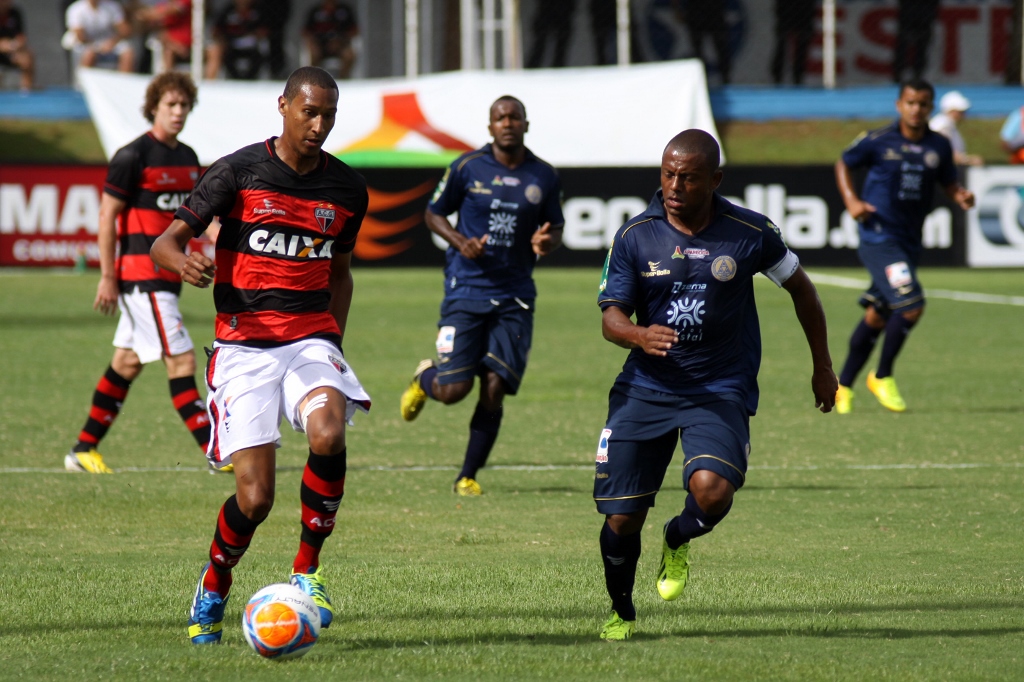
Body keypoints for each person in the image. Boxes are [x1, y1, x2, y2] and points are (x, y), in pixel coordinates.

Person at [150, 66, 370, 644]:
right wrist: (184, 262)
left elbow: (342, 276)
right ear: (283, 106)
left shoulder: (347, 190)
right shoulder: (238, 171)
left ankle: (307, 571)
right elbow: (164, 243)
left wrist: (333, 345)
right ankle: (215, 581)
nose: (319, 125)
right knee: (256, 498)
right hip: (244, 345)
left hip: (310, 339)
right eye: (309, 112)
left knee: (328, 431)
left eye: (329, 115)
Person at [593, 129, 837, 641]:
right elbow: (611, 318)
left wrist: (822, 366)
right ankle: (620, 611)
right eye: (667, 174)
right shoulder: (635, 234)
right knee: (621, 521)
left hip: (718, 387)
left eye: (688, 176)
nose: (675, 185)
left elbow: (802, 291)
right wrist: (639, 334)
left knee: (712, 493)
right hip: (646, 387)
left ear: (715, 179)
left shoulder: (749, 231)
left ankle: (677, 538)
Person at [399, 96, 564, 497]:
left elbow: (554, 227)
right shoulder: (466, 168)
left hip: (515, 295)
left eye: (514, 117)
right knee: (455, 391)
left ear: (526, 124)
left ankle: (467, 475)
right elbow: (433, 213)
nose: (507, 123)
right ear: (489, 127)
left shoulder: (544, 176)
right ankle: (426, 377)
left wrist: (548, 240)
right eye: (499, 118)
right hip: (467, 289)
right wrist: (460, 241)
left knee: (495, 386)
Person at [65, 72, 205, 474]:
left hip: (167, 279)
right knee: (181, 361)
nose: (178, 113)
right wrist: (108, 276)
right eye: (170, 105)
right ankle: (217, 451)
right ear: (154, 108)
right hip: (141, 277)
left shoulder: (188, 157)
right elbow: (107, 217)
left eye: (184, 105)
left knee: (126, 362)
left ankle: (82, 450)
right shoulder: (132, 156)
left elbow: (195, 216)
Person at [834, 80, 975, 414]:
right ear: (899, 104)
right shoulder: (878, 141)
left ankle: (842, 386)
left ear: (931, 107)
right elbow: (844, 163)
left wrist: (960, 196)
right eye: (911, 102)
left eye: (923, 104)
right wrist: (852, 201)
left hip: (910, 240)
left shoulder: (939, 145)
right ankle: (882, 376)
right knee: (911, 305)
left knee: (878, 314)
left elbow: (948, 181)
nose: (916, 109)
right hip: (879, 238)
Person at [64, 0, 135, 73]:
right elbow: (80, 36)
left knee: (128, 54)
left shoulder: (111, 6)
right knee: (89, 54)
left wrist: (112, 42)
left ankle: (123, 81)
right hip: (87, 43)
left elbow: (124, 30)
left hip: (110, 42)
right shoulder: (75, 9)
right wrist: (99, 46)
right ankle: (83, 81)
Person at [674, 0, 732, 84]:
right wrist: (676, 9)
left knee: (721, 47)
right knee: (697, 52)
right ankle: (700, 81)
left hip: (715, 11)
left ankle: (726, 80)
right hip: (696, 12)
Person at [206, 0, 266, 80]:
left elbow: (265, 29)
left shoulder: (258, 11)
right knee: (217, 50)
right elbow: (216, 31)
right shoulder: (227, 11)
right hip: (231, 45)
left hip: (252, 45)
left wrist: (254, 35)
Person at [302, 0, 358, 79]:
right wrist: (313, 42)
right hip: (320, 45)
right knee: (314, 53)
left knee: (349, 55)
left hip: (340, 45)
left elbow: (354, 30)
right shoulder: (315, 11)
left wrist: (340, 41)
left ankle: (344, 78)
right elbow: (306, 32)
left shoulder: (345, 10)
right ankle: (315, 79)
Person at [929, 91, 983, 167]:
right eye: (960, 111)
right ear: (951, 111)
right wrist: (969, 160)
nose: (964, 114)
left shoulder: (945, 124)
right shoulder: (943, 125)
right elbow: (943, 151)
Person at [892, 0, 939, 83]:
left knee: (921, 48)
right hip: (908, 18)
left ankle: (918, 75)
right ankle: (898, 75)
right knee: (903, 47)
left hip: (924, 19)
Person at [770, 0, 815, 85]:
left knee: (802, 43)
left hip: (804, 10)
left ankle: (798, 76)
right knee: (782, 43)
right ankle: (778, 76)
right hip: (786, 10)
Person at [526, 0, 576, 69]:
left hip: (561, 11)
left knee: (559, 51)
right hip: (549, 11)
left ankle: (557, 70)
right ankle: (531, 71)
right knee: (540, 47)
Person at [0, 0, 32, 90]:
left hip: (11, 52)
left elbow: (21, 37)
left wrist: (13, 46)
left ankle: (26, 91)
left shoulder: (15, 13)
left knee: (27, 57)